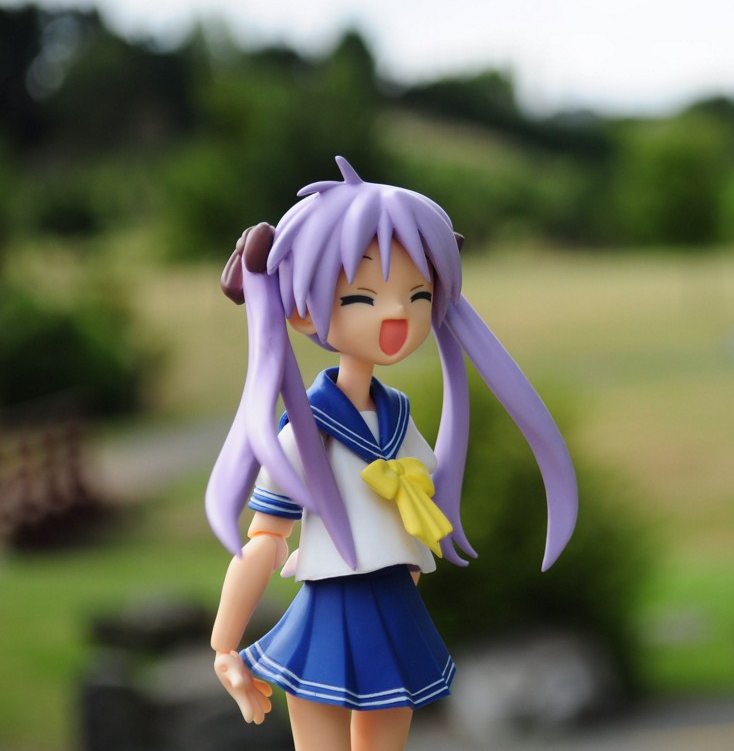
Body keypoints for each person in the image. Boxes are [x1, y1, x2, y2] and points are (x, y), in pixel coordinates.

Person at [205, 157, 577, 751]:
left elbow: (414, 504)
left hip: (395, 607)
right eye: (362, 296)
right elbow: (266, 540)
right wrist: (225, 646)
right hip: (329, 613)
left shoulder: (398, 418)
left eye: (418, 294)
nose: (399, 313)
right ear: (300, 310)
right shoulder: (308, 432)